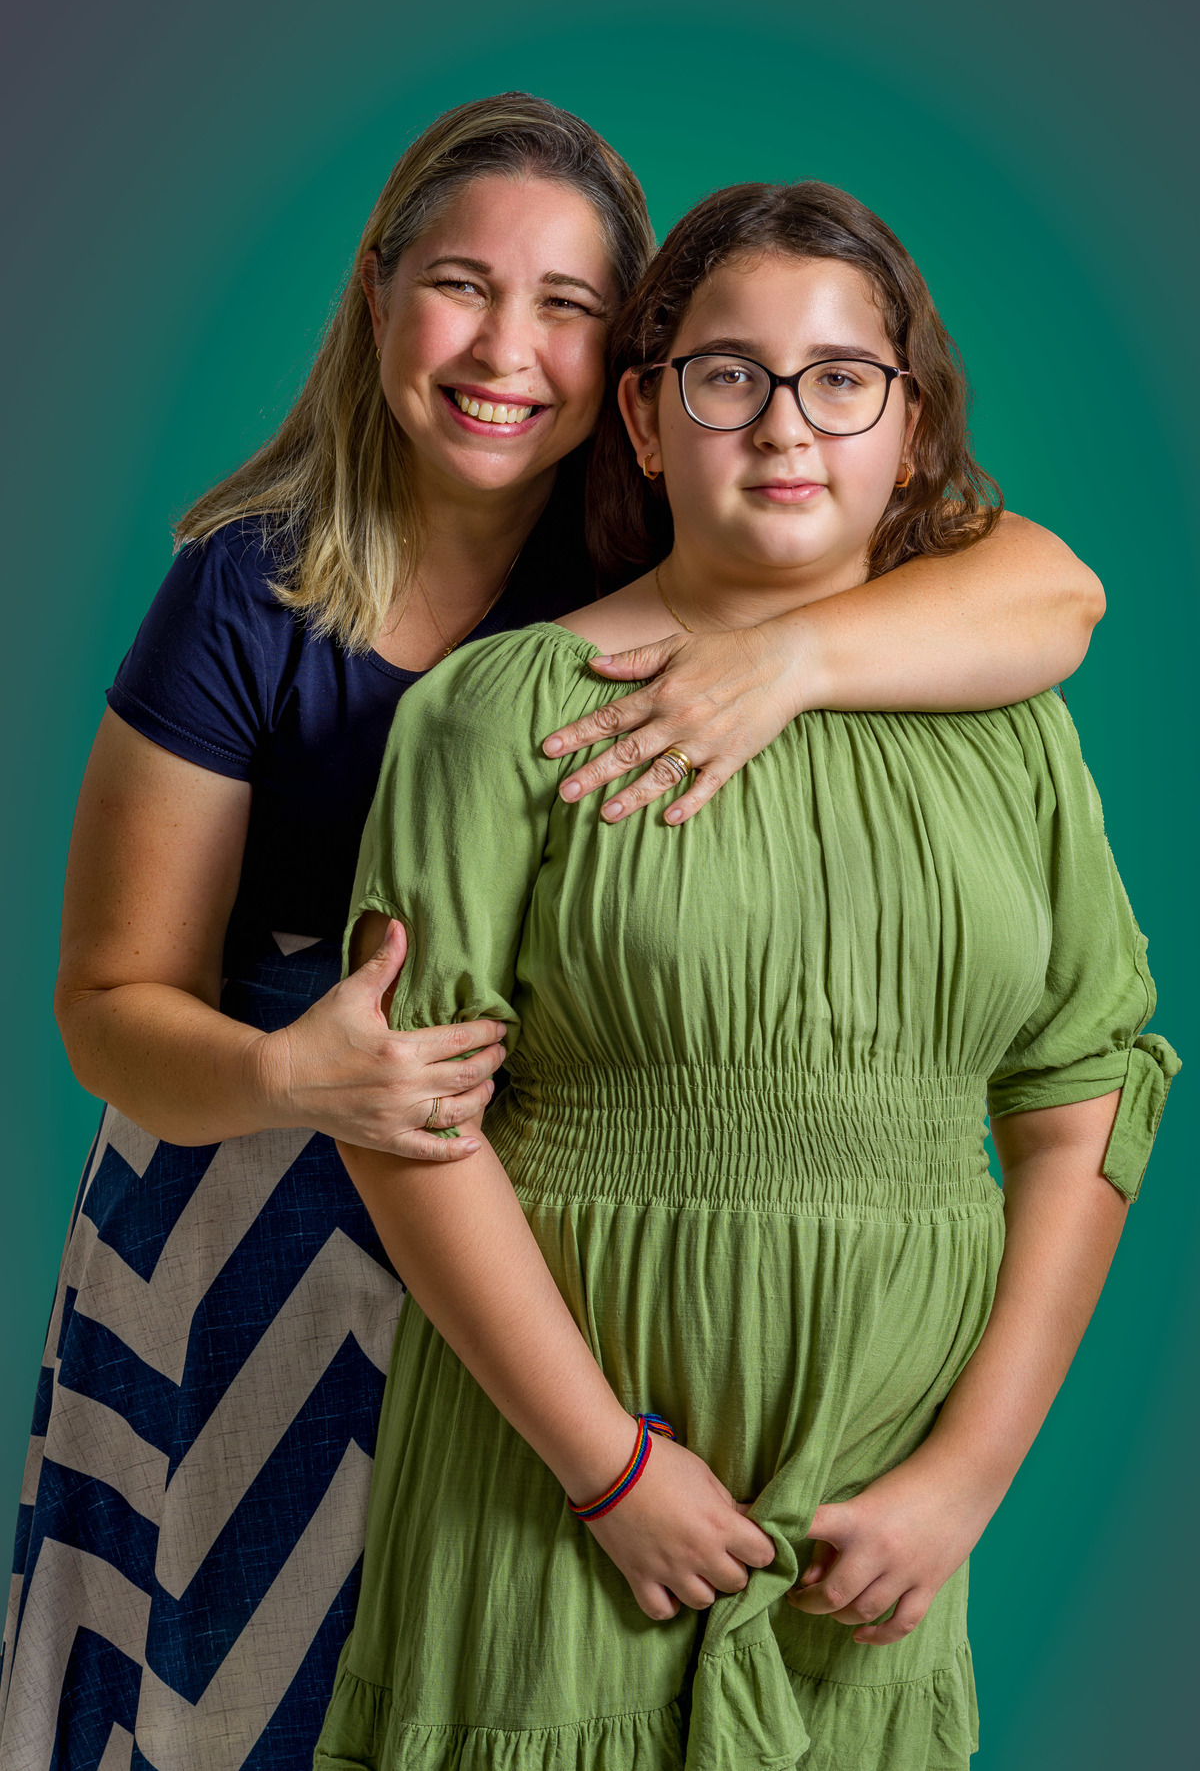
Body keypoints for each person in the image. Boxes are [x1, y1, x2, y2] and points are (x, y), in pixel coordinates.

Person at [1, 89, 1103, 1771]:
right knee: (244, 1680)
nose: (506, 346)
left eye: (572, 306)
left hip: (548, 1250)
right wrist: (296, 1076)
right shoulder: (263, 592)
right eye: (459, 283)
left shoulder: (683, 552)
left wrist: (791, 656)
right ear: (376, 296)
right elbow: (104, 997)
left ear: (628, 377)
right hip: (271, 1167)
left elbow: (1055, 592)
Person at [315, 179, 1178, 1771]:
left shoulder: (1014, 727)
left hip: (877, 1527)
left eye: (843, 379)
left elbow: (1085, 1096)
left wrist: (965, 1477)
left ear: (910, 431)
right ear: (644, 419)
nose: (787, 426)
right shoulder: (500, 712)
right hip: (552, 1489)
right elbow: (398, 1110)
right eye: (729, 376)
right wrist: (608, 1468)